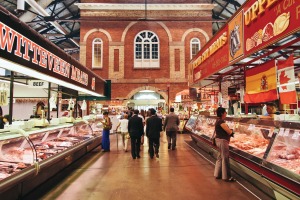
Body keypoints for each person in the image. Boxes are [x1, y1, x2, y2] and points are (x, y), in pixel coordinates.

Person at [214, 107, 235, 182]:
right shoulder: (221, 122)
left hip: (218, 140)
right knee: (225, 158)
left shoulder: (217, 120)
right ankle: (226, 176)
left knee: (220, 157)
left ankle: (217, 174)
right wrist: (232, 131)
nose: (226, 113)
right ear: (222, 113)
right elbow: (229, 132)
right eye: (225, 112)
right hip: (222, 141)